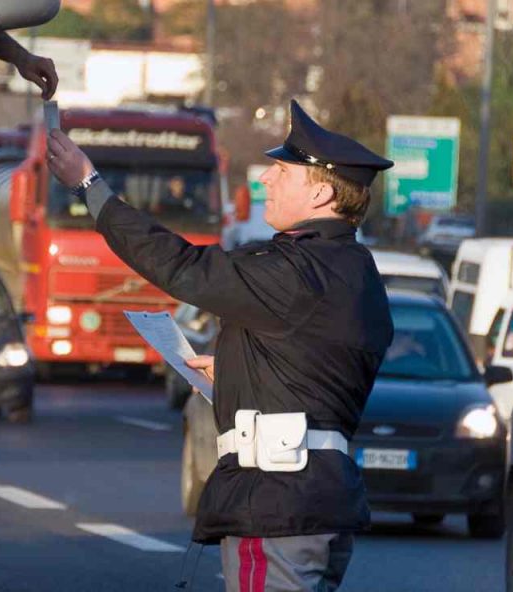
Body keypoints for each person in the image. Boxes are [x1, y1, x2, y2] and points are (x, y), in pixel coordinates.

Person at [47, 99, 395, 592]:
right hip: (316, 502)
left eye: (281, 171)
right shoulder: (354, 271)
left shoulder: (297, 271)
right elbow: (315, 370)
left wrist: (91, 186)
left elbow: (183, 267)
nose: (266, 181)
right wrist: (237, 368)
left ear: (320, 193)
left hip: (276, 504)